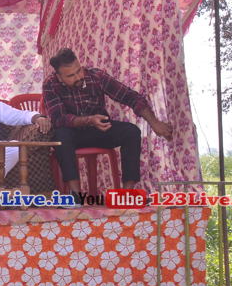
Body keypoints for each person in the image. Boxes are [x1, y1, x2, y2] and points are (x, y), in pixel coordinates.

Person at [42, 48, 172, 196]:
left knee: (131, 131)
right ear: (59, 77)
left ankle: (127, 193)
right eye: (71, 75)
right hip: (71, 134)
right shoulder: (50, 84)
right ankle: (75, 195)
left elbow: (130, 97)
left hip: (99, 129)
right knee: (60, 136)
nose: (78, 77)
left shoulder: (97, 76)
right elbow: (59, 118)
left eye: (79, 70)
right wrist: (89, 120)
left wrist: (154, 123)